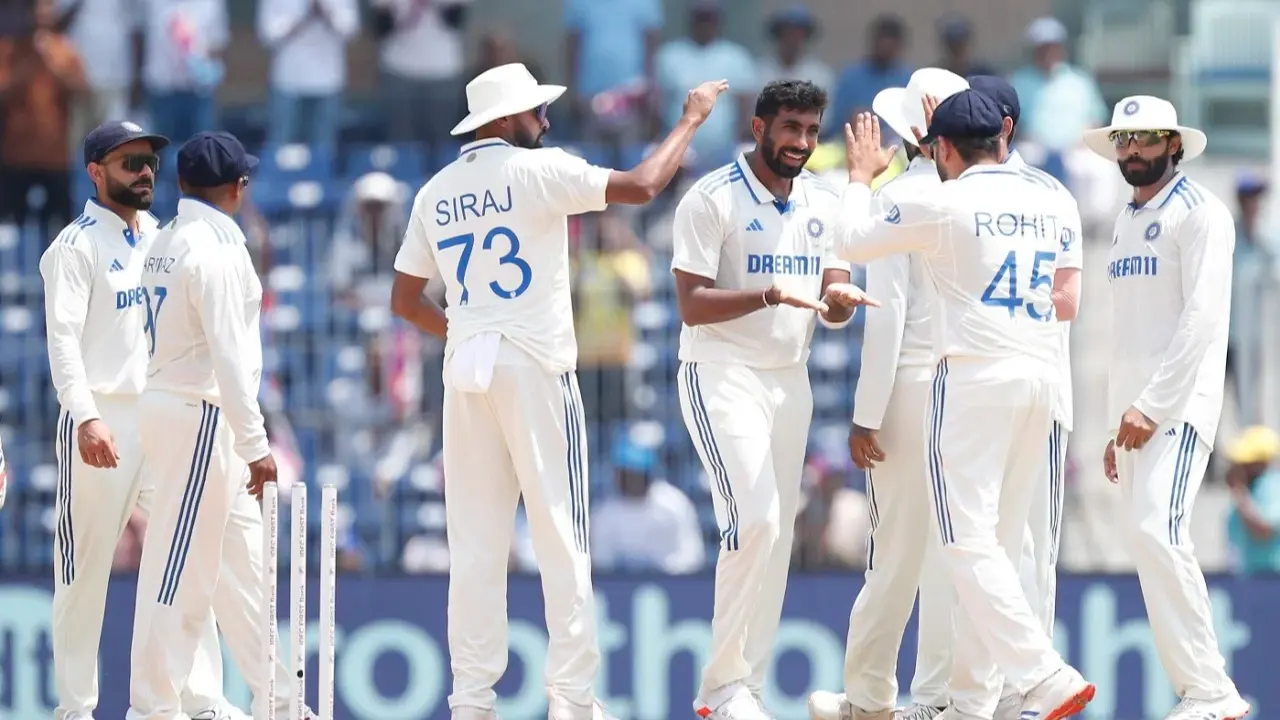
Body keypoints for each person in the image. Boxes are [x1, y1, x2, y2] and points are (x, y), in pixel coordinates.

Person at [388, 62, 728, 720]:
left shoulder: (434, 191)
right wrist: (690, 120)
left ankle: (471, 704)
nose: (545, 121)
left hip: (466, 369)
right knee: (561, 534)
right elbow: (644, 185)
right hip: (534, 365)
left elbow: (405, 300)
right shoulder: (537, 170)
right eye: (535, 111)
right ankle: (572, 700)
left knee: (476, 547)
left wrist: (468, 327)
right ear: (503, 120)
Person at [837, 92, 1096, 720]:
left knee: (962, 541)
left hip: (974, 379)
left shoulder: (943, 201)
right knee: (997, 549)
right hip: (1040, 377)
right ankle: (972, 704)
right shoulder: (1050, 198)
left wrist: (860, 178)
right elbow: (1069, 300)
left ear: (943, 149)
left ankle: (1042, 673)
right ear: (1002, 138)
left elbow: (852, 240)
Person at [670, 79, 874, 720]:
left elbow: (833, 295)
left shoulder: (824, 198)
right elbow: (690, 304)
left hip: (791, 379)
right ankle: (720, 686)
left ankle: (744, 689)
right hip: (721, 372)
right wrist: (767, 295)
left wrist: (839, 302)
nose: (802, 142)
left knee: (776, 535)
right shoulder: (711, 197)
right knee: (754, 520)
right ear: (759, 128)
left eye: (811, 130)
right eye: (790, 128)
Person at [40, 121, 240, 720]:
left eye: (150, 161)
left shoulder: (162, 236)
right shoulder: (74, 247)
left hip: (160, 413)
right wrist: (85, 416)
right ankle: (76, 709)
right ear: (95, 172)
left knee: (186, 558)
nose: (146, 172)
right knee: (83, 572)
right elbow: (62, 343)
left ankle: (201, 700)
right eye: (130, 163)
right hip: (101, 418)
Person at [128, 131, 310, 720]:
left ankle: (282, 703)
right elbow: (230, 356)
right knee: (178, 571)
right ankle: (153, 708)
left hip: (184, 408)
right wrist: (256, 444)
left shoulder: (166, 239)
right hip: (202, 417)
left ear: (182, 183)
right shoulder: (217, 250)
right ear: (238, 187)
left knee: (244, 573)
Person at [808, 67, 969, 720]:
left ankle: (870, 699)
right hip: (968, 389)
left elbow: (887, 316)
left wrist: (865, 415)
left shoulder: (899, 197)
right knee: (952, 553)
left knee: (894, 552)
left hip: (911, 389)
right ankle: (936, 699)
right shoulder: (977, 198)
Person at [1086, 95, 1250, 720]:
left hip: (1177, 407)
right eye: (1123, 140)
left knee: (1160, 529)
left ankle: (1212, 690)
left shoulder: (1200, 212)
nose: (1133, 150)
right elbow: (1128, 333)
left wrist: (1152, 406)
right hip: (1135, 415)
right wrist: (1116, 423)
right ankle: (1198, 690)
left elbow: (1201, 321)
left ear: (1174, 143)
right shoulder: (1126, 220)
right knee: (1145, 538)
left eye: (1146, 138)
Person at [962, 74, 1084, 720]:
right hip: (992, 389)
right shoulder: (960, 193)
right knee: (983, 544)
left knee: (1031, 548)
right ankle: (986, 691)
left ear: (1003, 127)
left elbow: (1066, 300)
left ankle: (1027, 694)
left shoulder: (1049, 193)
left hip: (1039, 390)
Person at [1224, 425, 1280, 575]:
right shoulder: (1250, 491)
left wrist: (1239, 491)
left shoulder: (1272, 485)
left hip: (1272, 579)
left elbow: (1264, 530)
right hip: (1249, 578)